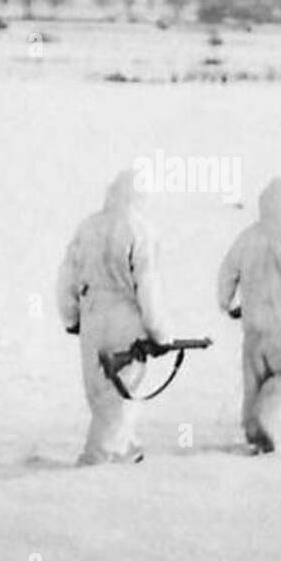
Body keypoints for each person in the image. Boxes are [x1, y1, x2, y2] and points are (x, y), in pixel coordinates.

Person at [57, 170, 169, 465]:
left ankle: (126, 449)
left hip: (92, 318)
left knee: (99, 393)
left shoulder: (87, 227)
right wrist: (159, 333)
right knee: (121, 394)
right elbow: (148, 287)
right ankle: (98, 459)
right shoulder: (140, 230)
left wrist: (71, 317)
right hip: (126, 320)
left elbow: (66, 277)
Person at [216, 176, 281, 454]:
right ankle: (265, 424)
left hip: (253, 329)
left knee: (255, 383)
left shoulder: (247, 236)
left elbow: (227, 273)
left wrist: (227, 304)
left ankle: (252, 427)